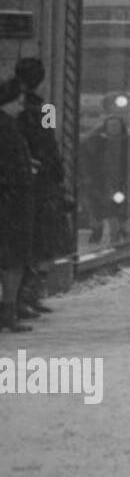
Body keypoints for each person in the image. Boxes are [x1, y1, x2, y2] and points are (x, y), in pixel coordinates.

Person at [15, 58, 69, 316]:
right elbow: (49, 142)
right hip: (41, 181)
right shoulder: (46, 109)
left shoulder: (14, 108)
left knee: (28, 240)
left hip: (22, 178)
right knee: (43, 240)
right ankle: (30, 293)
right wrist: (57, 172)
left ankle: (23, 295)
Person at [0, 77, 35, 332]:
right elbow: (49, 139)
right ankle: (14, 306)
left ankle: (16, 305)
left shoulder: (33, 113)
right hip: (14, 196)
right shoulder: (46, 108)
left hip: (13, 194)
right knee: (15, 256)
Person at [80, 114, 130, 244]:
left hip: (123, 182)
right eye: (111, 125)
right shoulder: (98, 142)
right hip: (105, 183)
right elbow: (86, 152)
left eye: (116, 125)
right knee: (109, 209)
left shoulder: (129, 142)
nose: (113, 128)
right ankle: (112, 234)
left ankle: (123, 233)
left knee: (122, 210)